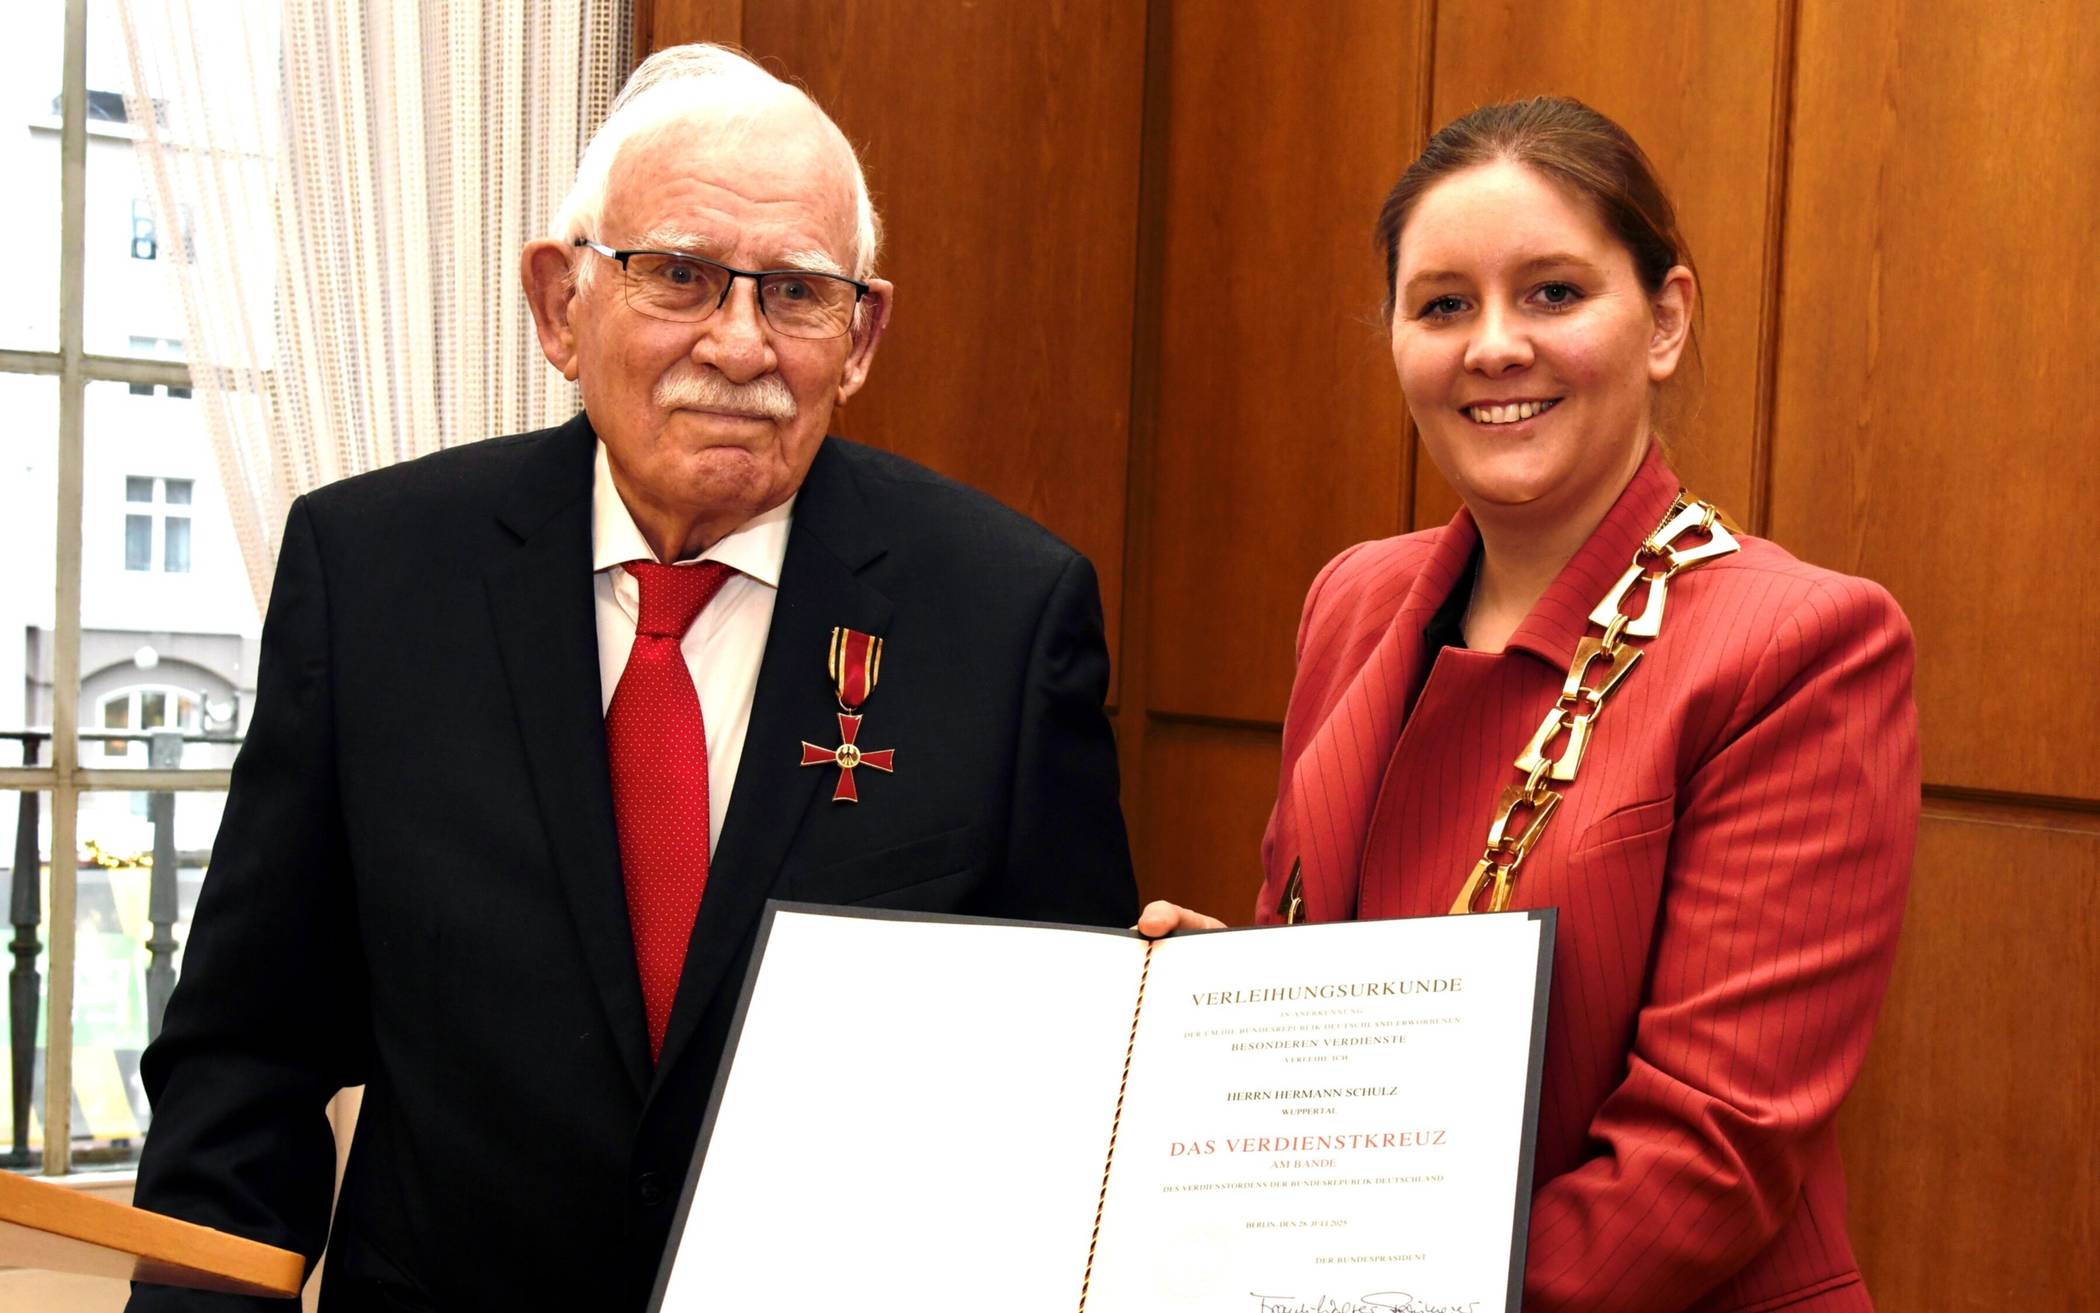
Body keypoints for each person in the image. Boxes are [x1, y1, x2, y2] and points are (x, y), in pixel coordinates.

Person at [130, 44, 1136, 1311]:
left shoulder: (1005, 613)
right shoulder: (377, 577)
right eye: (680, 274)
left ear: (862, 334)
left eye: (797, 293)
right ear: (562, 304)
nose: (739, 341)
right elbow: (248, 1054)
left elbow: (1067, 1087)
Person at [1140, 97, 1917, 1312]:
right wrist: (1223, 1018)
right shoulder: (1354, 600)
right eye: (1443, 304)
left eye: (1554, 292)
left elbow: (1714, 1147)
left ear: (1665, 319)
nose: (1494, 346)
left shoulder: (1799, 645)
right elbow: (1365, 1013)